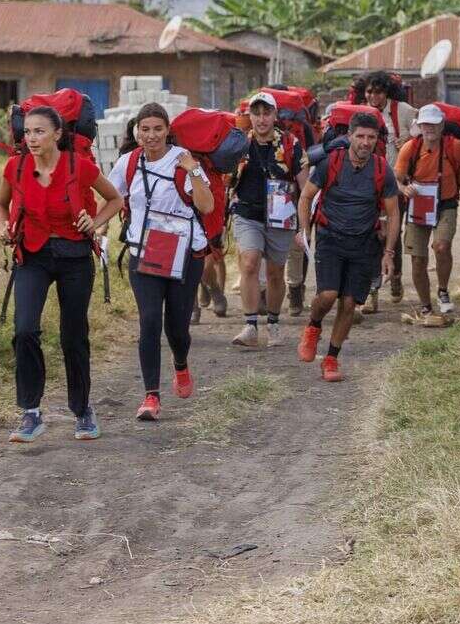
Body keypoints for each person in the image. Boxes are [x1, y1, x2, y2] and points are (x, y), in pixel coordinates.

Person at [0, 106, 123, 443]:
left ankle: (82, 410)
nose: (31, 138)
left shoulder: (79, 166)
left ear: (57, 134)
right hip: (32, 255)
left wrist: (93, 224)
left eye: (39, 132)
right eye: (27, 132)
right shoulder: (15, 166)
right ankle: (31, 412)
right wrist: (2, 227)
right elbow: (0, 204)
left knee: (73, 335)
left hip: (75, 256)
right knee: (24, 330)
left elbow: (115, 199)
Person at [109, 103, 215, 421]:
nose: (151, 135)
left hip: (184, 253)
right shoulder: (128, 163)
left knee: (177, 328)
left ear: (167, 130)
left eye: (158, 128)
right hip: (145, 252)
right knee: (150, 321)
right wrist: (97, 226)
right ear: (136, 132)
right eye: (145, 129)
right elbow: (113, 198)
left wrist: (193, 170)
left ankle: (180, 364)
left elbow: (207, 207)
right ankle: (151, 396)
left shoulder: (182, 160)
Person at [295, 112, 400, 381]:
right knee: (328, 295)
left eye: (372, 137)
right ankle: (313, 325)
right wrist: (304, 230)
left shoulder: (381, 169)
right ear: (350, 136)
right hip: (331, 237)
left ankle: (331, 358)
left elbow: (393, 212)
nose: (366, 142)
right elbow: (305, 197)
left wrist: (389, 253)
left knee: (350, 302)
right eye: (361, 136)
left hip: (364, 242)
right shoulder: (331, 162)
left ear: (377, 140)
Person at [394, 104, 460, 325]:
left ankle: (442, 290)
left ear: (442, 125)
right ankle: (425, 306)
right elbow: (396, 178)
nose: (429, 128)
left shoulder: (455, 146)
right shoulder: (410, 148)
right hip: (418, 205)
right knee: (417, 258)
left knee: (441, 247)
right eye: (426, 124)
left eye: (434, 124)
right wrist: (404, 188)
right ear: (419, 126)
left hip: (445, 204)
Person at [230, 91, 306, 348]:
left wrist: (304, 224)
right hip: (247, 214)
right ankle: (250, 326)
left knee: (275, 273)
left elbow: (305, 186)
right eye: (256, 113)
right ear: (249, 116)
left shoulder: (290, 144)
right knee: (249, 263)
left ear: (275, 115)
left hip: (280, 217)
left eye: (267, 113)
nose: (261, 119)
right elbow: (224, 178)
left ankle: (273, 323)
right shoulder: (239, 144)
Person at [362, 71, 418, 303]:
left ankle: (395, 275)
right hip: (368, 183)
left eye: (378, 91)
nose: (373, 96)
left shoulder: (402, 110)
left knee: (393, 233)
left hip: (397, 182)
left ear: (387, 92)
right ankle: (371, 289)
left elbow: (421, 131)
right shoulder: (361, 112)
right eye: (369, 91)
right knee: (372, 233)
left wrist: (407, 139)